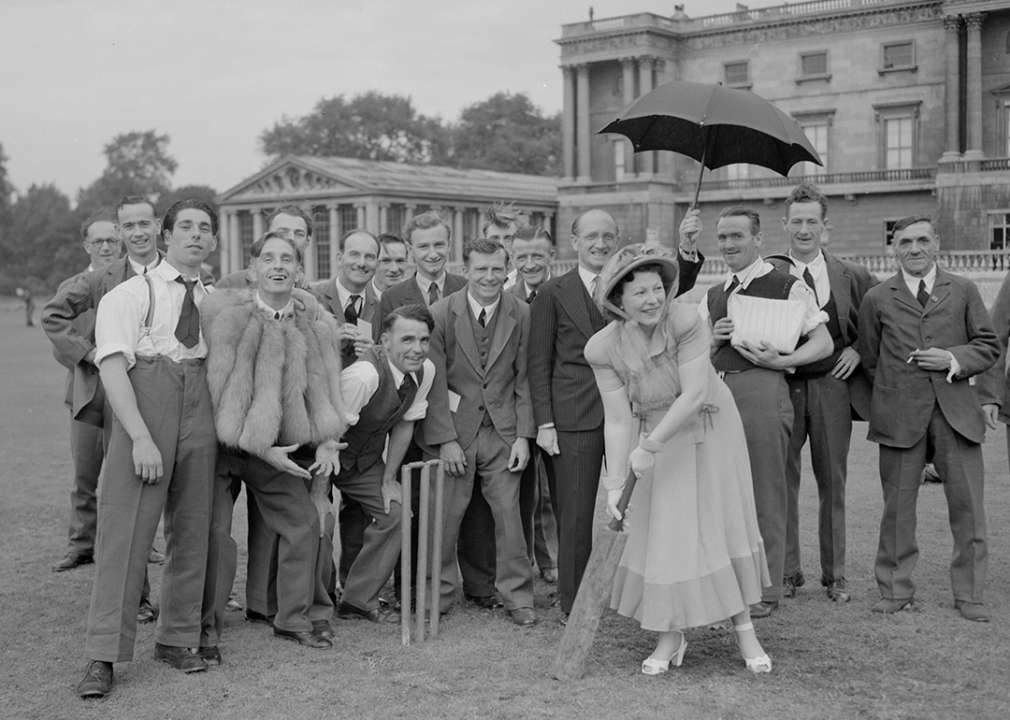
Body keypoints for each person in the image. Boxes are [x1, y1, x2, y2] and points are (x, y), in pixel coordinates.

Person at [585, 244, 771, 675]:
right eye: (639, 293)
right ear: (619, 301)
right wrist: (614, 484)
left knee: (719, 523)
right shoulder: (602, 348)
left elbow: (695, 395)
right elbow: (616, 420)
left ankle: (745, 630)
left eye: (657, 288)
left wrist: (647, 448)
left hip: (710, 427)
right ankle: (671, 635)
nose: (652, 299)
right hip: (655, 432)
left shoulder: (686, 321)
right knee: (667, 533)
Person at [76, 199, 220, 699]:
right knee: (125, 531)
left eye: (205, 229)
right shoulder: (130, 294)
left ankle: (178, 639)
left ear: (214, 241)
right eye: (186, 227)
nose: (196, 236)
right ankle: (102, 655)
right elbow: (113, 367)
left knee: (193, 525)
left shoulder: (217, 299)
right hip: (147, 403)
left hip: (200, 405)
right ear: (165, 234)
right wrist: (139, 436)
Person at [528, 208, 703, 617]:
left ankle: (635, 597)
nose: (600, 243)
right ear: (573, 241)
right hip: (576, 420)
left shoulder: (631, 287)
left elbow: (669, 290)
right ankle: (574, 603)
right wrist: (545, 422)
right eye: (591, 236)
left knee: (639, 509)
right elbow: (539, 362)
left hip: (638, 413)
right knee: (575, 514)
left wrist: (687, 249)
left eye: (609, 236)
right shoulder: (554, 292)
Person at [199, 230, 348, 655]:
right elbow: (219, 398)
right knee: (213, 533)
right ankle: (203, 629)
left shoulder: (316, 327)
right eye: (269, 258)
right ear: (253, 269)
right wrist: (262, 449)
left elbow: (327, 395)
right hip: (225, 448)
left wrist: (325, 441)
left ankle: (294, 618)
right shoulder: (227, 317)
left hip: (275, 452)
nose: (278, 266)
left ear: (300, 271)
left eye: (287, 259)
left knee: (305, 523)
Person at [858, 215, 999, 622]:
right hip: (900, 417)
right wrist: (895, 393)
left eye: (922, 240)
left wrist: (953, 358)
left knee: (968, 507)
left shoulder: (964, 288)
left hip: (956, 413)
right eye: (904, 242)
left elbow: (988, 345)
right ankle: (895, 590)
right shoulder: (878, 298)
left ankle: (969, 594)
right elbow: (870, 359)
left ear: (936, 243)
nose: (914, 249)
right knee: (897, 510)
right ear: (894, 248)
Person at [695, 205, 832, 619]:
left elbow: (823, 343)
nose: (728, 244)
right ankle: (727, 581)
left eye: (737, 236)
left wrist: (781, 362)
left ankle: (767, 588)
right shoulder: (714, 293)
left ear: (757, 239)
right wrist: (713, 340)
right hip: (718, 393)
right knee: (720, 491)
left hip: (763, 392)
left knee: (765, 490)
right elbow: (695, 354)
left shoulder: (785, 284)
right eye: (722, 237)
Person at [43, 196, 168, 621]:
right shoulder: (101, 279)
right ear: (119, 233)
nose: (135, 233)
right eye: (126, 226)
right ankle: (136, 597)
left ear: (157, 227)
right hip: (113, 400)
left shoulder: (179, 274)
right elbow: (53, 315)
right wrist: (92, 354)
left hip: (168, 399)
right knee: (119, 495)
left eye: (143, 223)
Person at [378, 211, 499, 609]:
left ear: (450, 245)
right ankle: (411, 589)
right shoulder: (395, 296)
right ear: (410, 250)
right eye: (423, 246)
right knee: (416, 511)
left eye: (439, 245)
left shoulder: (471, 286)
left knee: (474, 510)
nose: (432, 253)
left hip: (464, 421)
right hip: (411, 419)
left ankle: (480, 586)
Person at [423, 237, 538, 626]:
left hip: (503, 432)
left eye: (496, 269)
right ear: (465, 269)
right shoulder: (441, 313)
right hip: (457, 432)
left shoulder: (521, 313)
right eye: (480, 269)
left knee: (510, 518)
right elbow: (433, 383)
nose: (489, 277)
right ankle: (435, 596)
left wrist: (523, 435)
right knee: (444, 518)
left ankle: (518, 598)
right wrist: (446, 440)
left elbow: (525, 377)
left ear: (507, 270)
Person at [775, 183, 877, 604]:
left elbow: (880, 319)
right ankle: (787, 572)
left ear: (825, 226)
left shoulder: (851, 274)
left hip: (832, 387)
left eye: (811, 221)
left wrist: (857, 349)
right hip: (782, 388)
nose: (803, 229)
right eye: (796, 221)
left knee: (832, 481)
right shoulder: (768, 273)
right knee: (782, 481)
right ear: (785, 225)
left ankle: (835, 576)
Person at [333, 304, 435, 624]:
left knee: (397, 514)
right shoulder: (363, 375)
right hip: (320, 456)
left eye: (423, 340)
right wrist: (316, 494)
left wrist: (389, 478)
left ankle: (357, 600)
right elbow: (329, 434)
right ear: (385, 340)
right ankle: (311, 600)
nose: (416, 349)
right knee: (313, 523)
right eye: (407, 339)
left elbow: (405, 423)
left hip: (362, 462)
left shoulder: (425, 370)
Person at [47, 213, 121, 572]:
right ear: (86, 245)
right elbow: (61, 347)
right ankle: (81, 546)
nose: (106, 247)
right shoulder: (73, 286)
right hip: (85, 390)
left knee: (131, 476)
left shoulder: (134, 282)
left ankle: (141, 544)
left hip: (131, 395)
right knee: (85, 477)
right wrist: (91, 356)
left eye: (112, 240)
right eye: (98, 241)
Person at [508, 226, 559, 583]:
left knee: (555, 493)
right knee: (523, 493)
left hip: (558, 407)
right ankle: (523, 561)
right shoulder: (506, 296)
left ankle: (555, 560)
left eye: (537, 256)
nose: (530, 264)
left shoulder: (564, 291)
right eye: (522, 257)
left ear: (550, 255)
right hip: (518, 410)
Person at [314, 228, 379, 364]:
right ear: (339, 259)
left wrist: (375, 354)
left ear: (377, 263)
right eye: (354, 255)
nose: (362, 263)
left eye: (369, 257)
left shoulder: (381, 308)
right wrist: (329, 342)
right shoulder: (313, 298)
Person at [216, 205, 315, 289]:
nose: (291, 238)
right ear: (267, 237)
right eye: (283, 232)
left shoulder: (314, 297)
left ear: (307, 243)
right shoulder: (229, 285)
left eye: (299, 234)